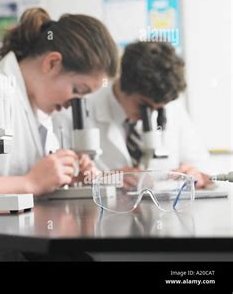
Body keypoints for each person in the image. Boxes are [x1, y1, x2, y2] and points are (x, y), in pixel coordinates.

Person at [0, 7, 119, 196]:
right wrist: (30, 183)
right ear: (52, 63)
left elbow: (37, 179)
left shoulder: (40, 110)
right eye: (78, 91)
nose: (73, 104)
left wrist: (65, 178)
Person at [53, 41, 211, 187]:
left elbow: (204, 168)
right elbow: (62, 180)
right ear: (123, 84)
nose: (149, 116)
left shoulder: (172, 106)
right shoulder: (75, 109)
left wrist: (198, 175)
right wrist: (104, 180)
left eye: (159, 109)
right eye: (144, 106)